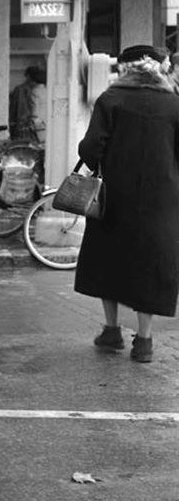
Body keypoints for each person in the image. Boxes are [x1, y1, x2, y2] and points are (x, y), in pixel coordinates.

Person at [75, 44, 179, 364]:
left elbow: (91, 148)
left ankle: (111, 330)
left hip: (115, 195)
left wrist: (103, 161)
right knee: (152, 262)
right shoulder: (174, 104)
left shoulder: (111, 100)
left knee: (110, 257)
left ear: (125, 70)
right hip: (163, 197)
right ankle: (144, 341)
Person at [9, 65, 47, 143]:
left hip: (22, 123)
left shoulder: (22, 89)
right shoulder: (38, 90)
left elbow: (13, 108)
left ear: (28, 76)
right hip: (30, 124)